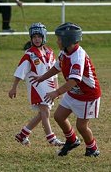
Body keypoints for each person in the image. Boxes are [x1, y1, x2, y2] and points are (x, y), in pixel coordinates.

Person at [31, 22, 101, 157]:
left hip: (88, 95)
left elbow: (74, 81)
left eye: (59, 38)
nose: (57, 41)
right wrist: (42, 77)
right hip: (74, 92)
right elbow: (57, 67)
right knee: (59, 116)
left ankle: (92, 148)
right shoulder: (64, 52)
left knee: (81, 126)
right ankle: (72, 140)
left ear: (67, 40)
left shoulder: (78, 57)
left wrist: (56, 92)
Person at [8, 23, 64, 147]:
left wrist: (56, 87)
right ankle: (51, 138)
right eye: (34, 37)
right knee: (45, 111)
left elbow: (53, 70)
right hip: (36, 86)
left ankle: (23, 134)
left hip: (49, 85)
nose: (37, 39)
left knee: (43, 113)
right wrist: (14, 87)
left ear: (44, 37)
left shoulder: (50, 52)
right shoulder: (29, 54)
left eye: (39, 36)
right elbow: (20, 71)